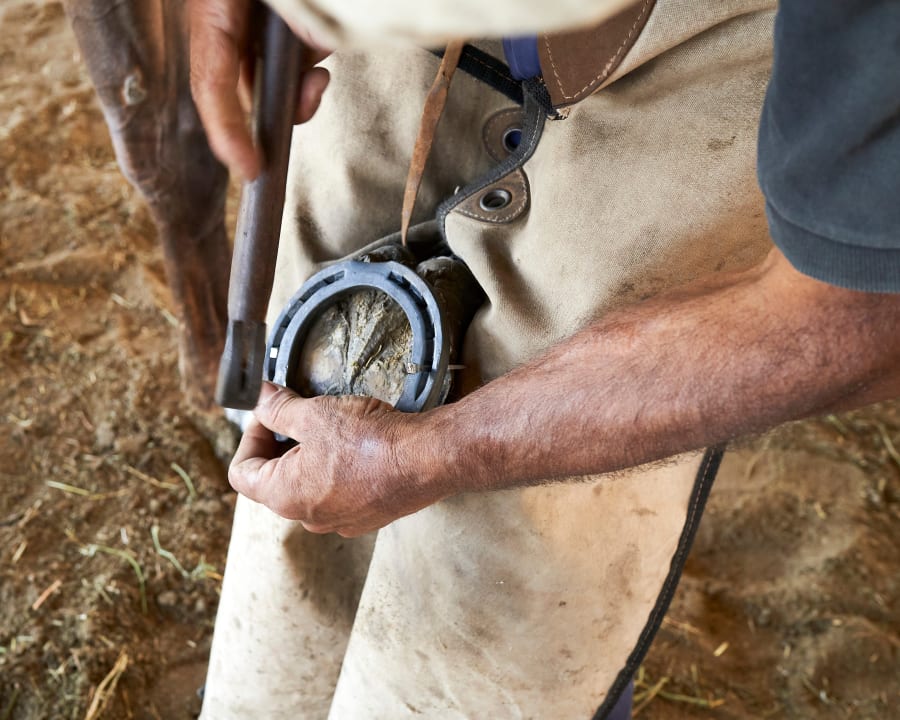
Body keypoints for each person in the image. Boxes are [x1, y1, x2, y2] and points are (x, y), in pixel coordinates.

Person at [188, 0, 900, 717]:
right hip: (410, 46)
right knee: (303, 458)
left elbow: (854, 323)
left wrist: (443, 453)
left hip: (709, 65)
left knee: (523, 569)